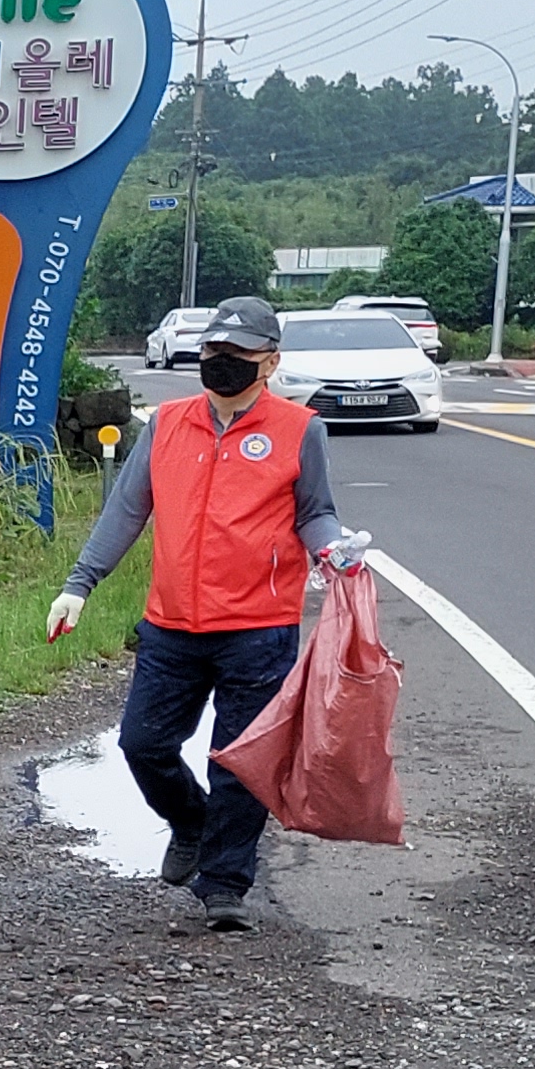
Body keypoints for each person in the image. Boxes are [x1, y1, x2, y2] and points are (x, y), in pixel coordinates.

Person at [45, 294, 367, 935]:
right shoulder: (167, 424)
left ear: (269, 362)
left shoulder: (300, 430)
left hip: (258, 626)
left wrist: (332, 551)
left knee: (240, 758)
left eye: (237, 355)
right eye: (212, 353)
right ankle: (189, 818)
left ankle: (224, 884)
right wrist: (80, 582)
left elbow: (313, 512)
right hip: (171, 624)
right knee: (144, 744)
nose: (220, 364)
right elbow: (128, 510)